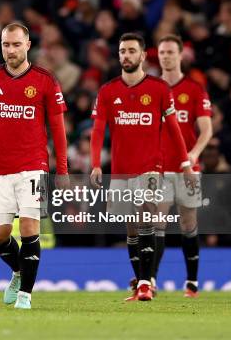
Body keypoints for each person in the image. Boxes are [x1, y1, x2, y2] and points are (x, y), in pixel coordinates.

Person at [0, 22, 69, 310]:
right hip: (0, 168)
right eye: (6, 45)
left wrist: (64, 170)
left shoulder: (45, 80)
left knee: (30, 228)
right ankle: (19, 272)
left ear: (28, 45)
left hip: (34, 165)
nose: (11, 50)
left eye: (16, 44)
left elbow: (58, 128)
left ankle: (25, 296)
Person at [89, 33, 195, 301]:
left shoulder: (159, 89)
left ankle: (147, 282)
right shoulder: (107, 91)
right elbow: (98, 130)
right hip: (121, 170)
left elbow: (174, 130)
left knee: (146, 213)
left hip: (151, 167)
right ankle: (141, 283)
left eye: (131, 51)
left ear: (143, 55)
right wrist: (95, 165)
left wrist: (185, 164)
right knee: (131, 227)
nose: (126, 55)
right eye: (122, 51)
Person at [152, 34, 212, 298]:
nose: (165, 56)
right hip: (160, 168)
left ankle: (192, 283)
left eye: (170, 52)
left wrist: (195, 154)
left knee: (189, 224)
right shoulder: (151, 88)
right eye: (162, 52)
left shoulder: (195, 89)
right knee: (157, 222)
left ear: (180, 55)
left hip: (187, 169)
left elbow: (206, 129)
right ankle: (150, 281)